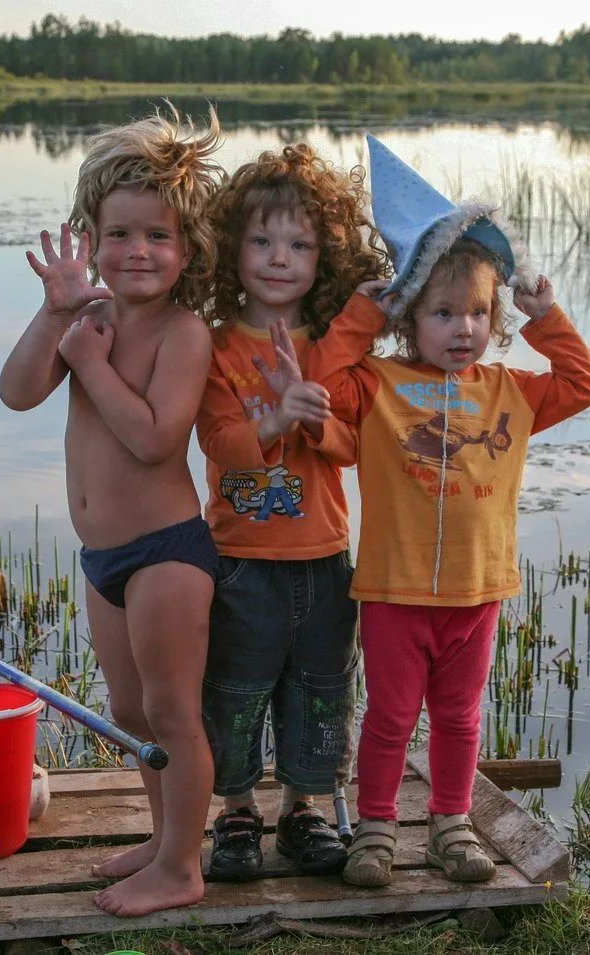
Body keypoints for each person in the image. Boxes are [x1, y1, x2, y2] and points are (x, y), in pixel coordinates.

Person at [308, 135, 590, 887]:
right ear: (414, 320)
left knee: (461, 717)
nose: (462, 327)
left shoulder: (510, 390)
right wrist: (362, 313)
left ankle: (451, 823)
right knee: (387, 717)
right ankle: (376, 829)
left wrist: (546, 311)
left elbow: (584, 382)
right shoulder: (378, 387)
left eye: (476, 311)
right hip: (395, 590)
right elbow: (322, 382)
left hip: (477, 590)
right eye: (442, 312)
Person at [0, 108, 223, 917]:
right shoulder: (83, 322)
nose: (138, 251)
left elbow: (159, 440)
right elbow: (18, 392)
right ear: (91, 239)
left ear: (186, 251)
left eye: (158, 236)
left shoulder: (184, 332)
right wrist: (57, 317)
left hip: (168, 553)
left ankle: (183, 866)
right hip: (105, 560)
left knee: (171, 709)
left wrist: (90, 365)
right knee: (129, 711)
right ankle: (162, 844)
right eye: (120, 233)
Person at [195, 144, 388, 881]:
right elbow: (219, 441)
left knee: (320, 689)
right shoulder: (214, 347)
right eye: (263, 240)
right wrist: (272, 419)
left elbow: (349, 446)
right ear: (231, 248)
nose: (280, 258)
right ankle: (237, 811)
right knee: (236, 690)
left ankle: (303, 809)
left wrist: (311, 417)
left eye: (300, 243)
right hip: (240, 561)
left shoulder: (336, 353)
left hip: (323, 558)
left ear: (324, 255)